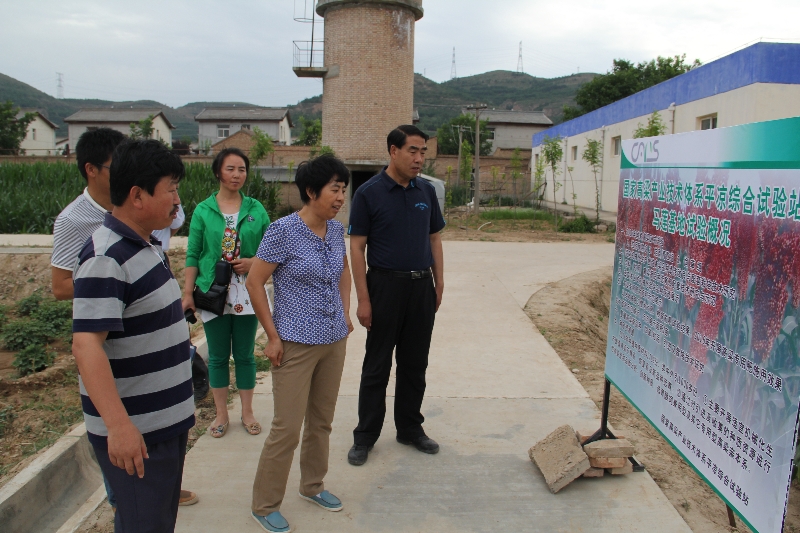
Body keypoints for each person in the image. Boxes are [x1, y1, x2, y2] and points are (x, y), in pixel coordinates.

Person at [51, 128, 198, 509]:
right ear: (137, 196)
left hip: (162, 425)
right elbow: (85, 345)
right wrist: (119, 427)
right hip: (139, 435)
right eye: (171, 190)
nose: (177, 201)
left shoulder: (145, 244)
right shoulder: (105, 258)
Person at [246, 155, 353, 533]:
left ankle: (312, 486)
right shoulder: (283, 231)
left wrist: (345, 313)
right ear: (311, 191)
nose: (340, 197)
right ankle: (265, 503)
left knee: (321, 421)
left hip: (333, 340)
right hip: (294, 342)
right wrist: (272, 336)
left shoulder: (337, 231)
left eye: (343, 189)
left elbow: (344, 271)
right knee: (287, 427)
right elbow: (255, 282)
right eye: (334, 189)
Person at [347, 125, 445, 466]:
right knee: (376, 365)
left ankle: (410, 428)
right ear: (393, 151)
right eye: (413, 151)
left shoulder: (426, 192)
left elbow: (434, 238)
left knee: (415, 363)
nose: (419, 158)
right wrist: (363, 298)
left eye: (423, 152)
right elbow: (357, 247)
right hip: (384, 286)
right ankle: (365, 436)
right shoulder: (369, 193)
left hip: (421, 287)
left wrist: (439, 282)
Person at [182, 147, 270, 438]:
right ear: (218, 171)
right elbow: (193, 254)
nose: (237, 174)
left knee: (245, 355)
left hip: (248, 292)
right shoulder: (204, 211)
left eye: (242, 169)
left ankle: (247, 412)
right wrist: (187, 293)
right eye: (231, 168)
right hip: (212, 292)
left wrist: (255, 262)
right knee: (218, 356)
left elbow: (273, 250)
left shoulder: (256, 209)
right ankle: (221, 415)